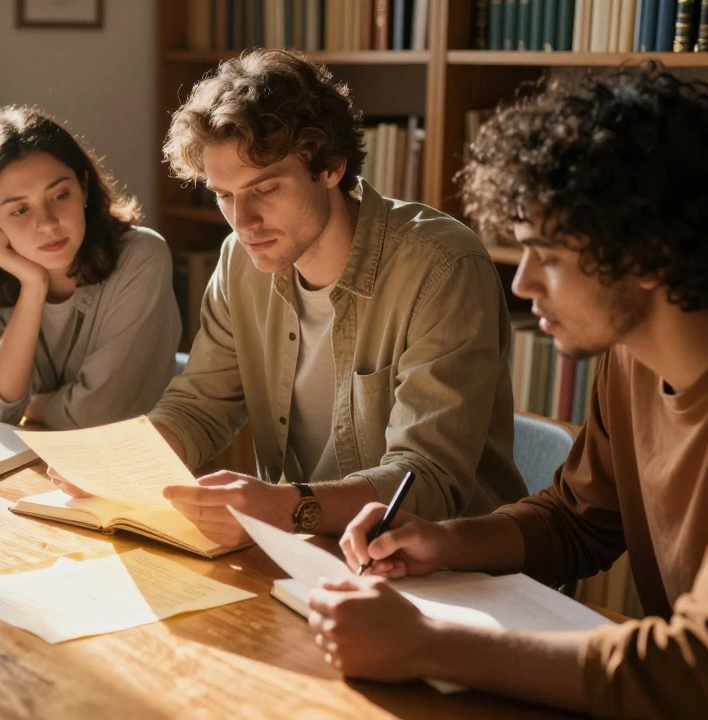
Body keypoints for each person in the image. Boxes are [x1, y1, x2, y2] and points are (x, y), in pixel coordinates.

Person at [313, 64, 708, 719]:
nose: (523, 286)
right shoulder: (632, 354)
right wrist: (445, 541)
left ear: (651, 255)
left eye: (549, 256)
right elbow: (578, 521)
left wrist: (429, 646)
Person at [55, 49, 525, 546]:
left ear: (331, 167)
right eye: (224, 195)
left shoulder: (442, 267)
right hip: (308, 555)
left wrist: (286, 507)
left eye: (266, 188)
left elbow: (427, 480)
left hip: (446, 569)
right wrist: (116, 465)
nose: (243, 221)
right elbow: (200, 407)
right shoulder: (240, 259)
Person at [0, 106, 181, 429]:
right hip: (32, 464)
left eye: (59, 195)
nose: (48, 224)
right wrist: (33, 287)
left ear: (83, 186)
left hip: (135, 465)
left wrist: (33, 405)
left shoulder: (141, 257)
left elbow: (101, 415)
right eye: (20, 210)